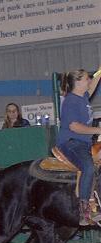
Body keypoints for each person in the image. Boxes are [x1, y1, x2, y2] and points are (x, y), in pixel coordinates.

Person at [56, 67, 101, 226]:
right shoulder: (71, 101)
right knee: (88, 167)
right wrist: (98, 129)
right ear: (77, 82)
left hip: (83, 143)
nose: (89, 80)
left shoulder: (83, 97)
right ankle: (84, 209)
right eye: (86, 78)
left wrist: (100, 71)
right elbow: (74, 126)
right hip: (71, 143)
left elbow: (93, 84)